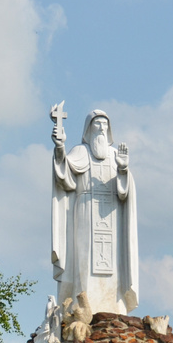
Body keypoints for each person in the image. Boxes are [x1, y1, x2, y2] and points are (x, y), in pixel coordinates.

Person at [51, 109, 139, 315]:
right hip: (85, 210)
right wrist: (59, 147)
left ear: (109, 130)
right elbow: (64, 177)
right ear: (89, 129)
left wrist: (124, 170)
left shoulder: (116, 155)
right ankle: (83, 306)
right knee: (84, 258)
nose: (101, 128)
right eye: (97, 124)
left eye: (104, 124)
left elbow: (125, 193)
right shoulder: (80, 152)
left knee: (114, 263)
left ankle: (115, 307)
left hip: (112, 214)